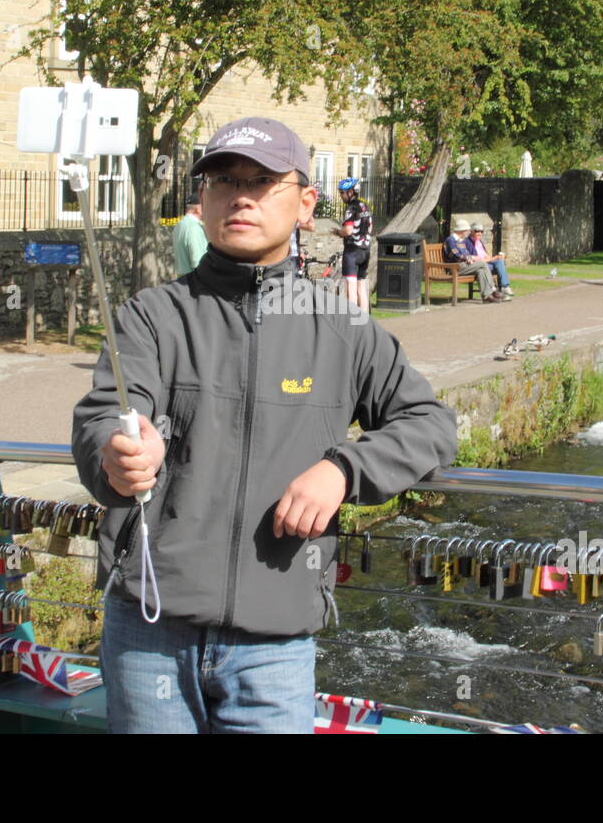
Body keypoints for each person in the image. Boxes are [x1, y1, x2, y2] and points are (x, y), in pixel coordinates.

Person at [72, 116, 456, 734]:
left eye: (263, 181)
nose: (241, 196)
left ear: (306, 203)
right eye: (224, 180)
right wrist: (117, 449)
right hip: (149, 630)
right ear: (202, 199)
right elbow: (107, 412)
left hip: (275, 644)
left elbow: (431, 424)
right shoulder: (153, 316)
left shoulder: (342, 328)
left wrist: (344, 470)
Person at [443, 220, 507, 303]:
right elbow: (456, 256)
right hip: (455, 268)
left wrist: (469, 259)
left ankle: (486, 296)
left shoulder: (460, 240)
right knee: (482, 263)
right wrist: (470, 257)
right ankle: (493, 289)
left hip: (463, 266)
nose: (468, 232)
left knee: (481, 271)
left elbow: (465, 253)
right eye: (466, 230)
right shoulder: (451, 240)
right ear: (461, 231)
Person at [334, 178, 372, 312]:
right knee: (361, 287)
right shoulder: (365, 206)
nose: (340, 196)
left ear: (350, 192)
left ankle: (353, 323)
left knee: (351, 287)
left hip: (352, 251)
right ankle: (365, 321)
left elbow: (348, 230)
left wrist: (339, 232)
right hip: (366, 250)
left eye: (342, 193)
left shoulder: (351, 208)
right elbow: (370, 228)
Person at [464, 223, 514, 297]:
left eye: (481, 231)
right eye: (477, 231)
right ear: (471, 231)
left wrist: (496, 258)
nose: (480, 233)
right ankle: (502, 288)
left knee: (500, 262)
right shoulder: (468, 242)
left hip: (485, 264)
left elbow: (487, 256)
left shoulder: (479, 242)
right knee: (499, 265)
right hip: (478, 266)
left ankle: (504, 287)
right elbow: (477, 261)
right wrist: (494, 258)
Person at [171, 193, 209, 276]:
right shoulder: (194, 227)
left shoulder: (179, 225)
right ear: (198, 208)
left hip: (182, 279)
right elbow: (198, 261)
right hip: (194, 282)